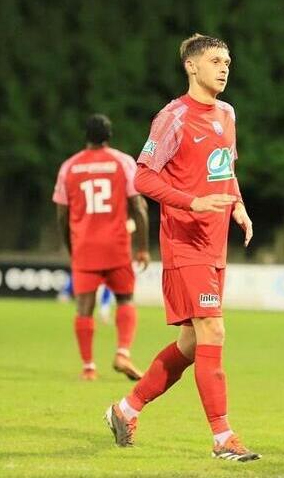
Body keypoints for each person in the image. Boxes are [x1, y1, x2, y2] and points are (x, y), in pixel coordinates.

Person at [104, 33, 259, 462]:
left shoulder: (227, 113)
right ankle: (223, 438)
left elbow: (226, 168)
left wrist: (239, 206)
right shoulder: (173, 117)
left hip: (215, 244)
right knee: (214, 331)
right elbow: (143, 177)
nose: (224, 67)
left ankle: (125, 409)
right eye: (214, 60)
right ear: (192, 66)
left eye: (227, 60)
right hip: (184, 243)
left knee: (192, 344)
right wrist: (192, 202)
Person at [53, 114, 151, 381]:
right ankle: (122, 352)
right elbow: (139, 208)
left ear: (86, 135)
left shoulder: (69, 167)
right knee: (125, 299)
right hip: (117, 245)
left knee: (84, 308)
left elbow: (62, 215)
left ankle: (88, 368)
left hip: (84, 246)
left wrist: (70, 246)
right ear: (109, 136)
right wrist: (142, 247)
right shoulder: (123, 162)